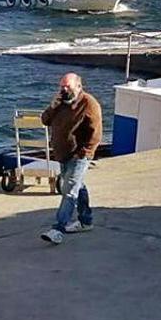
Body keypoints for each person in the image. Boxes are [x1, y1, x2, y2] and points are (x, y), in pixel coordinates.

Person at [39, 73, 103, 245]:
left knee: (69, 190)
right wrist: (52, 107)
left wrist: (84, 153)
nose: (64, 90)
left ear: (79, 86)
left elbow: (96, 134)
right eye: (62, 86)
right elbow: (44, 120)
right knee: (78, 186)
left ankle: (58, 229)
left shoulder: (89, 104)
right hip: (62, 154)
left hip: (79, 156)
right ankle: (86, 220)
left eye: (68, 86)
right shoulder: (60, 102)